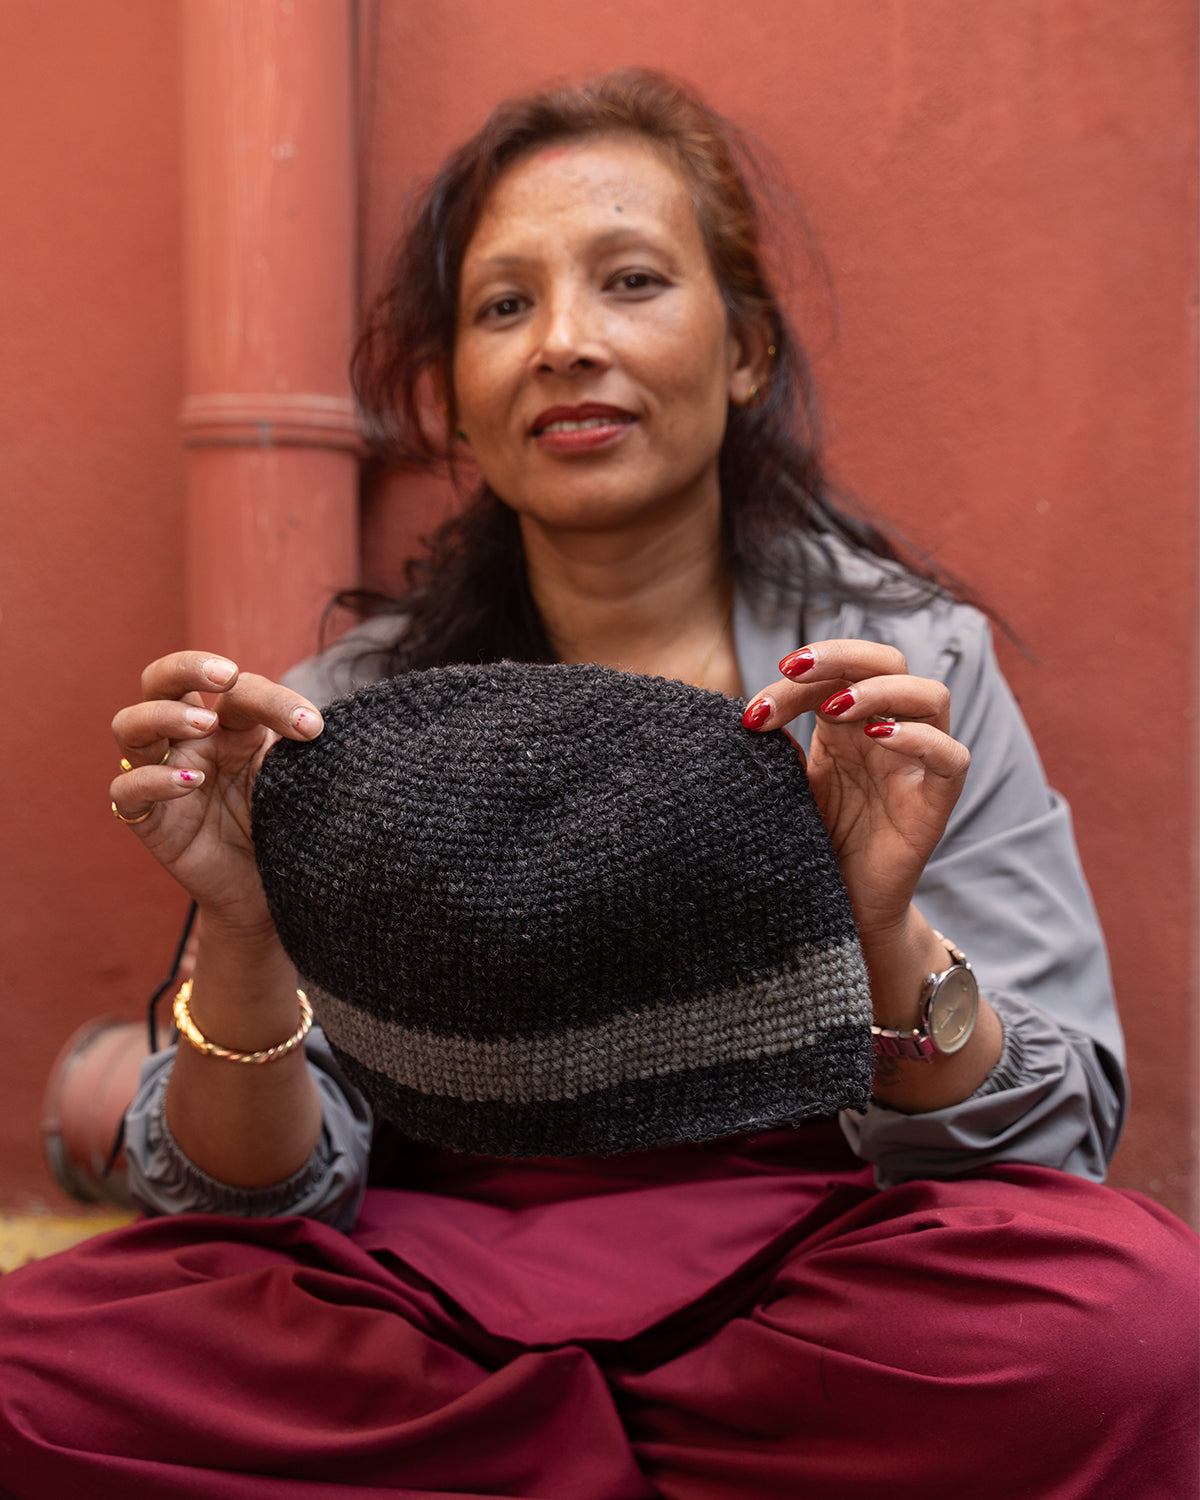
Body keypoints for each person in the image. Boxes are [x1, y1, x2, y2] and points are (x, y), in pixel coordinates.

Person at [0, 67, 1195, 1500]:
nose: (567, 343)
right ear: (451, 392)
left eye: (631, 281)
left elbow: (1049, 1148)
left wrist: (878, 929)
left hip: (805, 1296)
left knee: (1125, 1328)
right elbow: (250, 1193)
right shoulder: (342, 716)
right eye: (505, 306)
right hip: (418, 1305)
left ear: (746, 349)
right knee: (44, 1369)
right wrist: (246, 934)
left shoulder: (900, 681)